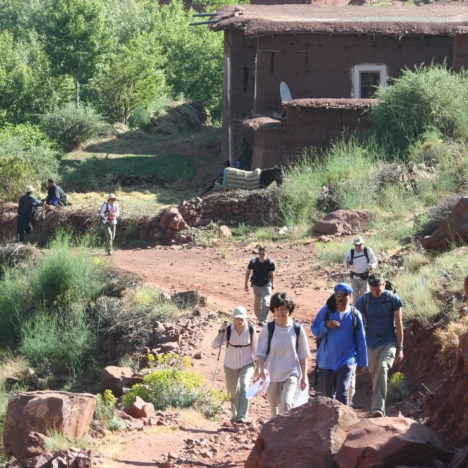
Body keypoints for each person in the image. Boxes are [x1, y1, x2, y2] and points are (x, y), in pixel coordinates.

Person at [355, 274, 404, 417]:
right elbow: (358, 325)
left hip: (389, 341)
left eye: (379, 287)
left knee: (383, 368)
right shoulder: (364, 300)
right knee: (375, 373)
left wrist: (400, 348)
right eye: (373, 289)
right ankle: (375, 406)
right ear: (369, 287)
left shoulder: (392, 299)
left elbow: (399, 325)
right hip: (371, 342)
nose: (376, 291)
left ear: (384, 284)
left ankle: (378, 408)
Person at [312, 283, 368, 405]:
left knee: (342, 391)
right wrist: (325, 325)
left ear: (350, 296)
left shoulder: (354, 314)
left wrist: (362, 361)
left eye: (344, 295)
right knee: (327, 395)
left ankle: (344, 422)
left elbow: (361, 339)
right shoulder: (326, 311)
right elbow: (315, 330)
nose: (341, 298)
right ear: (335, 296)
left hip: (347, 359)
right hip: (327, 359)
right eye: (338, 295)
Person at [255, 292, 310, 418]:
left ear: (289, 309)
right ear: (273, 311)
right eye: (277, 309)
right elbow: (261, 353)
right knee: (274, 409)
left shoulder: (297, 329)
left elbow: (303, 355)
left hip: (291, 373)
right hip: (272, 374)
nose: (281, 312)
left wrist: (304, 377)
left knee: (286, 403)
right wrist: (262, 369)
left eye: (283, 308)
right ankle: (276, 435)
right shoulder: (269, 329)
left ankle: (287, 433)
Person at [212, 306, 257, 424]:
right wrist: (220, 332)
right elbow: (215, 345)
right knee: (232, 392)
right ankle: (235, 415)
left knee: (244, 385)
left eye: (241, 319)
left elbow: (256, 349)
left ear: (245, 319)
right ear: (233, 319)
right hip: (230, 364)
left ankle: (242, 416)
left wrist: (259, 367)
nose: (239, 321)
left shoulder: (251, 330)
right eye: (237, 319)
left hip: (247, 363)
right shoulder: (228, 330)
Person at [245, 245, 275, 326]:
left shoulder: (270, 262)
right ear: (258, 253)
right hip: (256, 285)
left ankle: (263, 320)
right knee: (257, 304)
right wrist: (246, 284)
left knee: (266, 302)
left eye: (263, 253)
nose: (261, 255)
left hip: (266, 284)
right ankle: (260, 318)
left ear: (266, 253)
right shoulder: (253, 261)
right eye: (260, 253)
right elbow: (248, 272)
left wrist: (272, 284)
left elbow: (272, 274)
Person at [344, 237, 378, 304]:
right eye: (357, 245)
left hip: (365, 277)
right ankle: (355, 311)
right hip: (354, 278)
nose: (358, 246)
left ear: (363, 244)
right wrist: (347, 263)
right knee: (355, 295)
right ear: (354, 245)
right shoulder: (351, 252)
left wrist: (372, 266)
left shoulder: (367, 250)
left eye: (360, 244)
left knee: (364, 295)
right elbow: (345, 263)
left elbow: (374, 261)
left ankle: (363, 311)